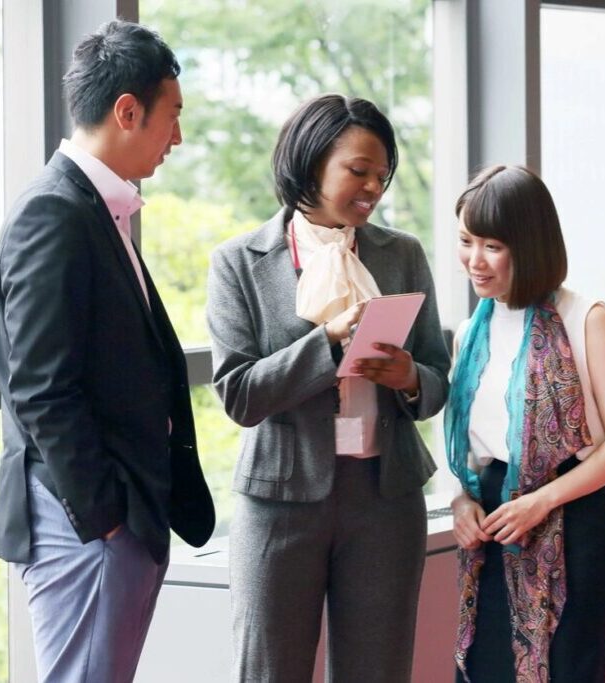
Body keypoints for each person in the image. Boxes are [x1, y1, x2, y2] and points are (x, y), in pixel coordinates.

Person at [0, 19, 215, 683]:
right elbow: (41, 388)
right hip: (82, 523)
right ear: (127, 110)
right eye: (171, 117)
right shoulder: (53, 212)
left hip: (112, 518)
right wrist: (106, 517)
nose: (178, 137)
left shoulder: (95, 209)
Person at [207, 93, 450, 682]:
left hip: (385, 500)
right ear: (312, 162)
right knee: (270, 671)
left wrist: (410, 378)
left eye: (382, 176)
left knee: (379, 671)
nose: (373, 188)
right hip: (281, 503)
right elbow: (238, 393)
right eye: (358, 171)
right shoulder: (239, 261)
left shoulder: (403, 254)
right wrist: (329, 344)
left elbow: (440, 379)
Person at [445, 165, 605, 682]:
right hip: (495, 522)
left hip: (572, 516)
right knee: (488, 669)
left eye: (492, 245)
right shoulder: (471, 332)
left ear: (528, 244)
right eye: (466, 241)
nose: (474, 260)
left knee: (566, 668)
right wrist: (461, 501)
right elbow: (470, 450)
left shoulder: (585, 317)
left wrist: (542, 501)